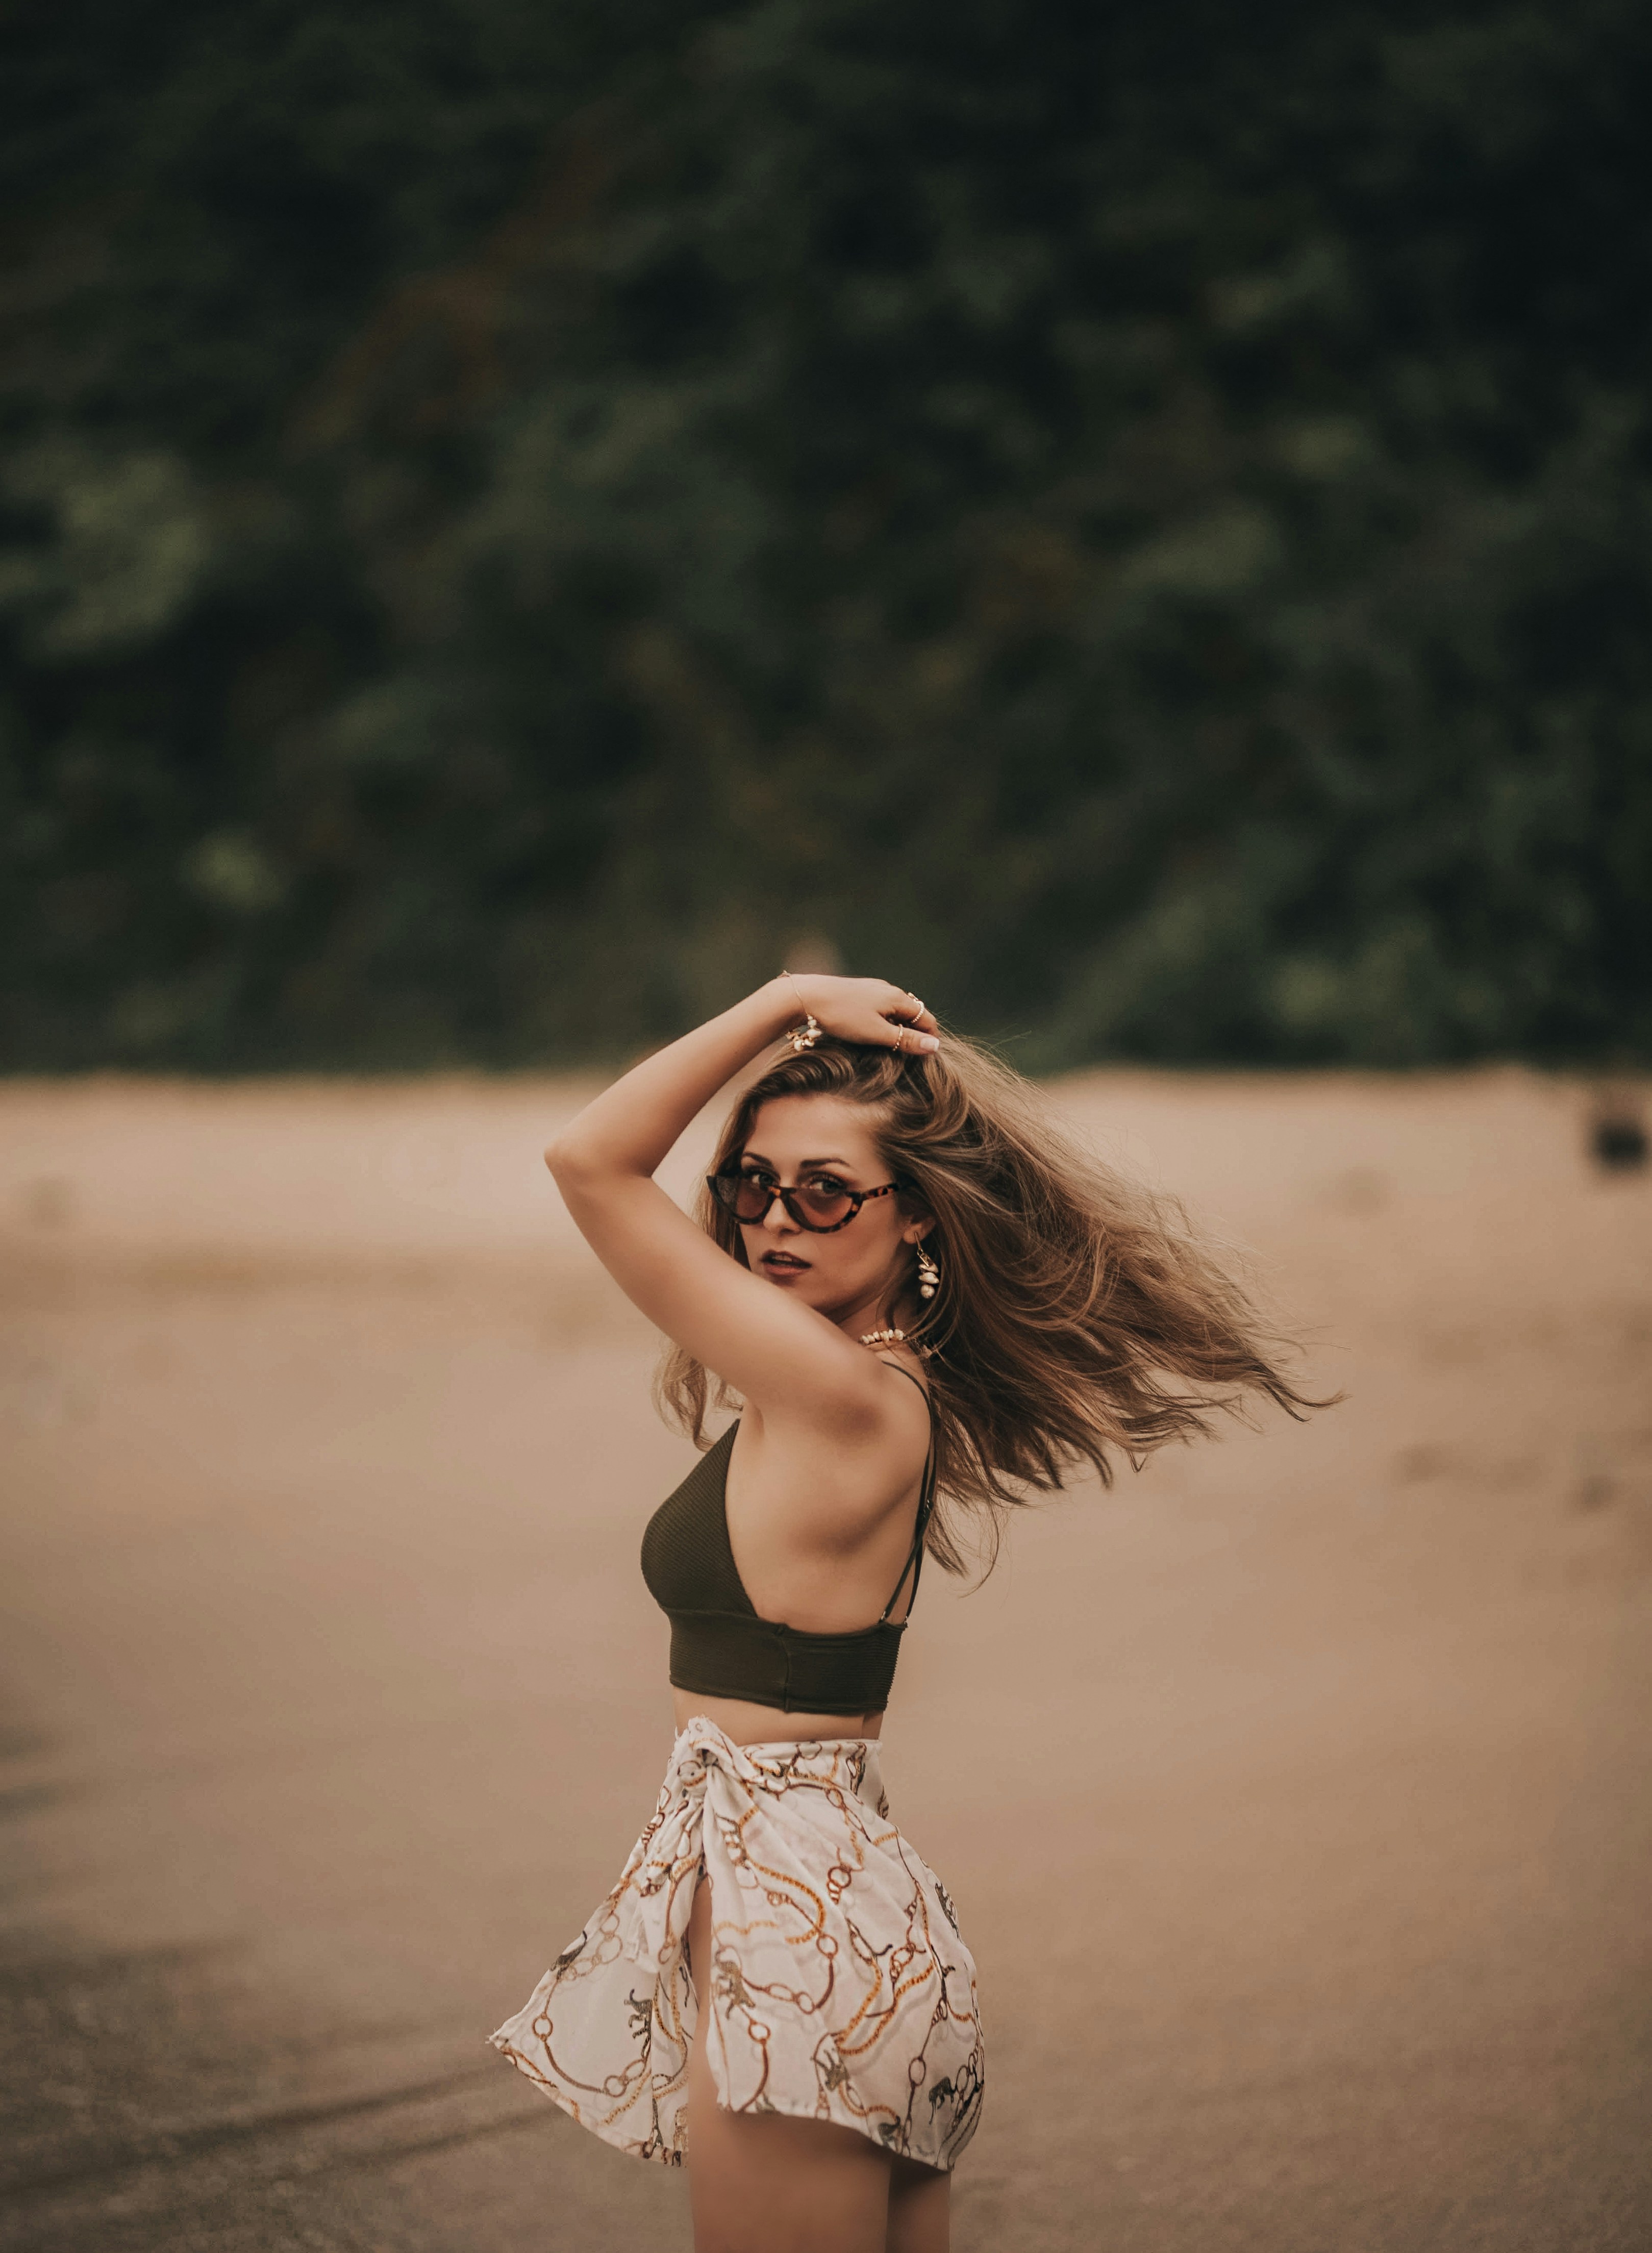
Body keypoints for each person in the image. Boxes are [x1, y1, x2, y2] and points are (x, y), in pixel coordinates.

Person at [491, 973, 1324, 2253]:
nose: (777, 1220)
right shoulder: (865, 1386)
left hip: (796, 1947)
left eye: (825, 1192)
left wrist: (780, 1002)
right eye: (750, 1186)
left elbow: (588, 1161)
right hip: (846, 1919)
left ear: (919, 1215)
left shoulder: (837, 1395)